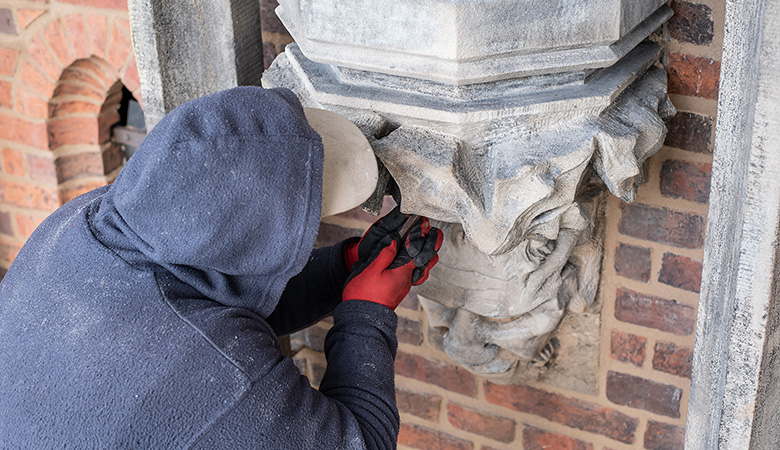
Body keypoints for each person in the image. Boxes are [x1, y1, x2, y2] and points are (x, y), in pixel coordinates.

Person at [0, 87, 442, 449]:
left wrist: (342, 269)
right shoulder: (219, 376)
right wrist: (367, 313)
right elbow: (360, 442)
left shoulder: (80, 224)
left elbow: (202, 299)